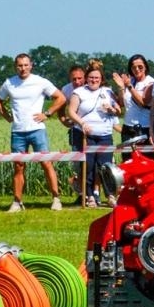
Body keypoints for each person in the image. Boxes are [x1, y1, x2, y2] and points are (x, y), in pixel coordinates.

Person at [0, 53, 66, 212]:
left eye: (26, 65)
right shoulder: (9, 83)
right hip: (18, 131)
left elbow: (60, 98)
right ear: (15, 67)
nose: (23, 68)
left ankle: (56, 198)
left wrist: (47, 114)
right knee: (19, 167)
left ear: (31, 65)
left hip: (37, 129)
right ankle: (17, 202)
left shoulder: (40, 81)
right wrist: (6, 116)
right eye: (20, 65)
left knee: (46, 163)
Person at [67, 65, 121, 206]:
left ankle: (110, 195)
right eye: (91, 77)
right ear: (86, 78)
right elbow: (71, 112)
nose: (94, 80)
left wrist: (111, 109)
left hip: (105, 135)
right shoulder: (79, 92)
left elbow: (119, 110)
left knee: (106, 167)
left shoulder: (108, 92)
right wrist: (82, 123)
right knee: (88, 166)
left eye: (97, 77)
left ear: (101, 79)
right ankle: (90, 195)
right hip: (87, 135)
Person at [60, 63, 88, 204]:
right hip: (76, 131)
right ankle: (81, 194)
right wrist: (64, 121)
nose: (77, 82)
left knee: (94, 164)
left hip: (92, 130)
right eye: (74, 79)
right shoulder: (66, 90)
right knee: (78, 164)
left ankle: (92, 194)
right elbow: (60, 107)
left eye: (80, 78)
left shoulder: (92, 86)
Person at [115, 54, 154, 151]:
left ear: (145, 67)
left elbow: (143, 102)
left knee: (145, 161)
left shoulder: (151, 82)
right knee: (128, 160)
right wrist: (121, 88)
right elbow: (122, 103)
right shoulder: (130, 81)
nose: (137, 69)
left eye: (140, 67)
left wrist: (129, 86)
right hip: (127, 127)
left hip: (144, 127)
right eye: (133, 67)